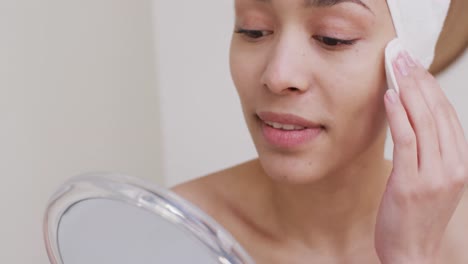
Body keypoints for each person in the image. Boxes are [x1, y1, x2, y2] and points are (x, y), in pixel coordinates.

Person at [172, 0, 468, 263]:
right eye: (254, 30)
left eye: (333, 37)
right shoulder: (168, 228)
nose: (278, 76)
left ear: (408, 62)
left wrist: (411, 257)